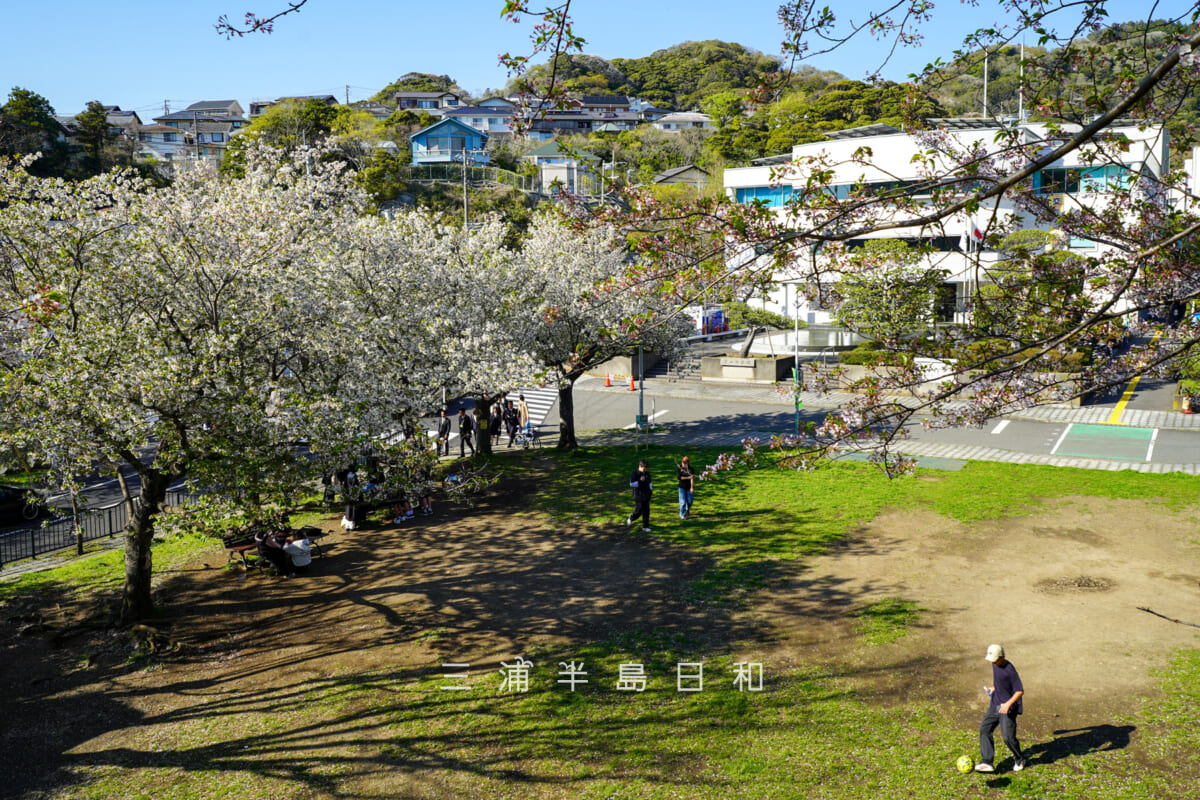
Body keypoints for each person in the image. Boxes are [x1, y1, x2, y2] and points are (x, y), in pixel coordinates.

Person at [976, 644, 1026, 773]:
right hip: (995, 703)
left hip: (1007, 708)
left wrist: (1008, 704)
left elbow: (1019, 691)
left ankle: (1019, 759)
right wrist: (995, 688)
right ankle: (987, 762)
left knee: (1008, 738)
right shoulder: (995, 663)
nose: (993, 663)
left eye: (996, 660)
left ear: (1003, 657)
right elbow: (1001, 681)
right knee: (985, 729)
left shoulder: (1010, 670)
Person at [626, 459, 653, 532]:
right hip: (638, 495)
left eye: (646, 468)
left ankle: (645, 526)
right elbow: (631, 484)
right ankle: (631, 517)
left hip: (646, 495)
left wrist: (650, 491)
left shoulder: (647, 474)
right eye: (644, 468)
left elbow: (650, 483)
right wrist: (640, 481)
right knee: (639, 510)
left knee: (646, 511)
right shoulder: (635, 474)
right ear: (640, 466)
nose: (645, 470)